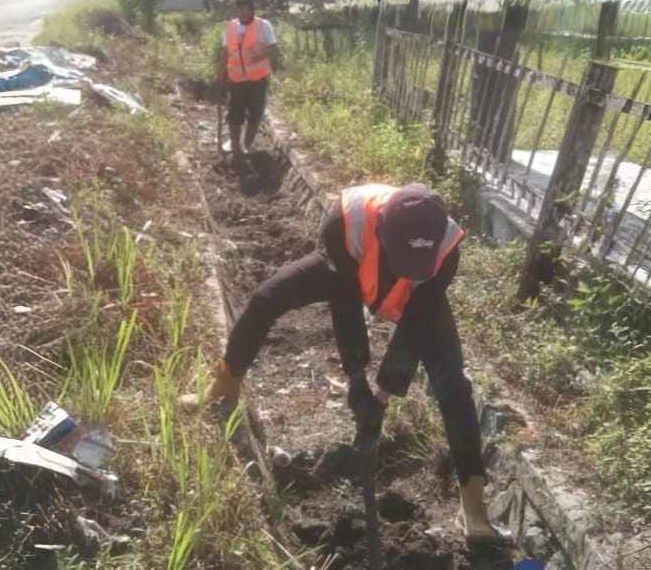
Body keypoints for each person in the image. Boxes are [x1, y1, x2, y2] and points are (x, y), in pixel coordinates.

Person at [181, 182, 507, 544]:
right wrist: (356, 379)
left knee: (455, 388)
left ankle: (473, 507)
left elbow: (413, 331)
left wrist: (380, 400)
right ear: (382, 229)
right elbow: (345, 305)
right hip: (349, 274)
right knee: (264, 299)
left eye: (417, 264)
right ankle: (222, 389)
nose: (408, 271)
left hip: (415, 306)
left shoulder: (446, 251)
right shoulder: (347, 221)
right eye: (402, 258)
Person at [218, 0, 277, 157]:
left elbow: (273, 46)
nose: (243, 12)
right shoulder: (230, 27)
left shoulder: (263, 25)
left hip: (257, 80)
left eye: (246, 8)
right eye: (240, 8)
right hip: (237, 79)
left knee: (255, 112)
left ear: (252, 9)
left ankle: (247, 143)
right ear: (236, 10)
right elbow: (225, 53)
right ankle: (235, 143)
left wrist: (260, 55)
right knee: (235, 112)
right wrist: (220, 74)